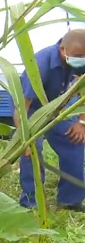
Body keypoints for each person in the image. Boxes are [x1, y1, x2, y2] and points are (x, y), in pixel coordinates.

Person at [18, 29, 85, 212]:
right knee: (32, 150)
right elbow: (22, 105)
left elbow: (83, 92)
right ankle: (31, 202)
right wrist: (24, 139)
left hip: (58, 104)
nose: (82, 59)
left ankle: (70, 200)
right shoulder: (40, 64)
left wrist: (81, 123)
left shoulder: (81, 61)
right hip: (30, 108)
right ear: (62, 49)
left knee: (76, 141)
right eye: (78, 55)